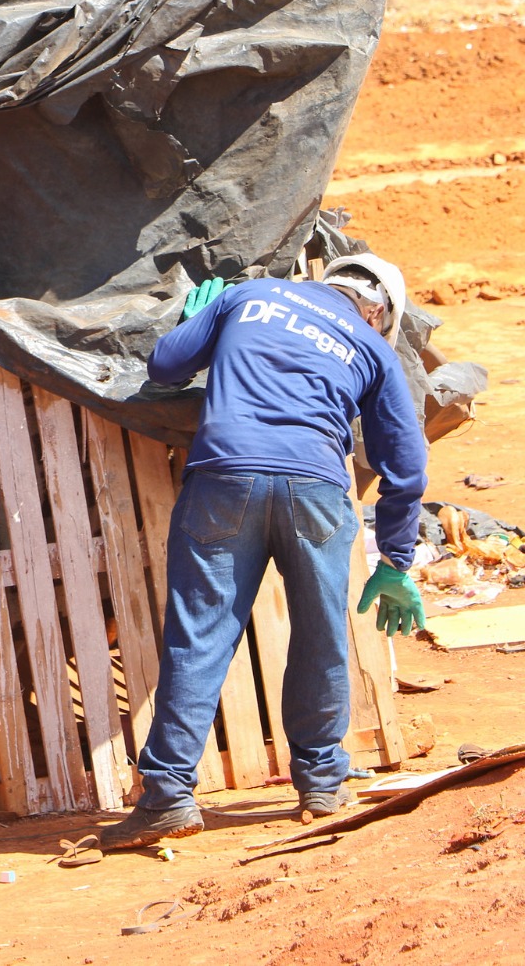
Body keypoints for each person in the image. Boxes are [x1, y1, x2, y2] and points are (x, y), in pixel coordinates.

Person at [100, 253, 428, 851]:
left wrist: (195, 319)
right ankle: (323, 783)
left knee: (199, 636)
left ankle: (168, 796)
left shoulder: (247, 296)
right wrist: (397, 561)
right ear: (377, 311)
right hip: (317, 489)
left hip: (224, 477)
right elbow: (405, 467)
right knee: (322, 633)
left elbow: (166, 366)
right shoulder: (373, 347)